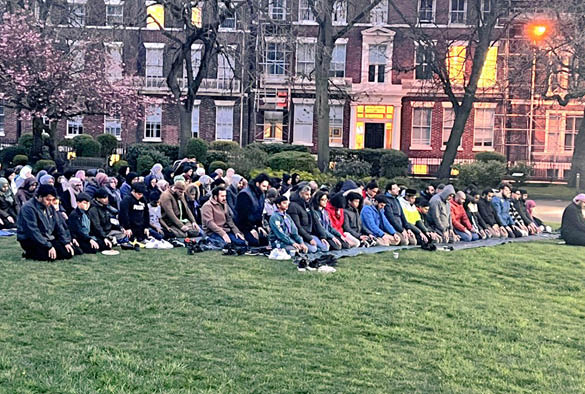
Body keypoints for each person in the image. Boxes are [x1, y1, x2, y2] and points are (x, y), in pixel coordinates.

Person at [17, 184, 76, 260]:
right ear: (40, 197)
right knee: (51, 256)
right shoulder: (28, 208)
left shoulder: (50, 207)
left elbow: (58, 225)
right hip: (30, 239)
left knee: (68, 252)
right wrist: (48, 246)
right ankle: (30, 253)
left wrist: (66, 242)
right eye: (48, 200)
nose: (51, 202)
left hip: (47, 237)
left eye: (52, 200)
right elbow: (33, 231)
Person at [234, 173, 270, 246]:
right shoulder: (244, 194)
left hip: (254, 224)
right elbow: (242, 216)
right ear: (257, 184)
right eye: (263, 186)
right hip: (243, 225)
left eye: (266, 186)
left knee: (265, 239)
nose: (265, 189)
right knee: (255, 242)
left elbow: (259, 213)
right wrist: (251, 229)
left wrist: (259, 226)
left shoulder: (261, 194)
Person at [288, 185, 324, 252]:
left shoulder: (308, 205)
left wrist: (322, 236)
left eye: (310, 194)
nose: (309, 197)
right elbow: (297, 226)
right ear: (300, 194)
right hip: (301, 236)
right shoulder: (293, 206)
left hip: (310, 234)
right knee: (313, 249)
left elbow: (316, 221)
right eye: (307, 194)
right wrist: (309, 239)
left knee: (325, 247)